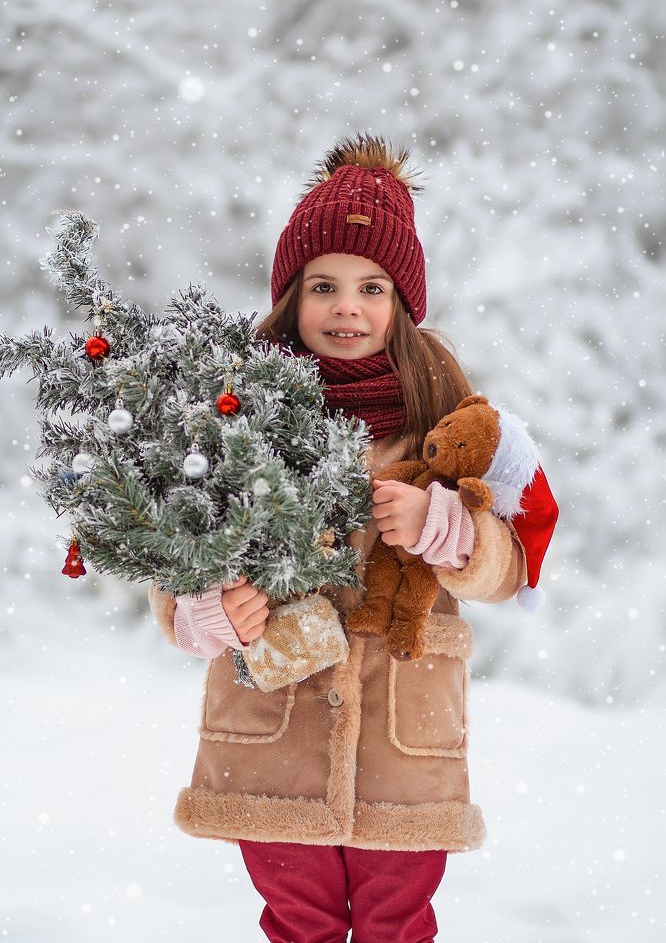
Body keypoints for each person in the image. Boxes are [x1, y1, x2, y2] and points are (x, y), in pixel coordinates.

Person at [148, 131, 552, 942]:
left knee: (398, 921)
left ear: (401, 304)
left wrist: (450, 530)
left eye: (372, 287)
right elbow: (175, 564)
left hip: (405, 732)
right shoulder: (238, 417)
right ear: (291, 299)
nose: (347, 307)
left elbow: (513, 563)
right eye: (323, 285)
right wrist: (209, 610)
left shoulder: (449, 419)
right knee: (296, 921)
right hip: (273, 733)